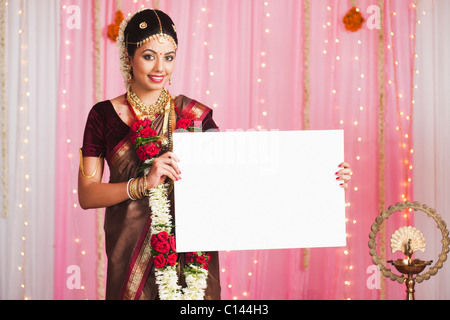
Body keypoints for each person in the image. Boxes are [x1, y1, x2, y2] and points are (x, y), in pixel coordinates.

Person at [78, 8, 352, 301]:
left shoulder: (194, 116)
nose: (160, 67)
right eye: (149, 56)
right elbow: (88, 196)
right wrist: (144, 184)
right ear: (128, 57)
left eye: (168, 57)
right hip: (129, 253)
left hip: (194, 252)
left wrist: (321, 176)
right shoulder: (103, 116)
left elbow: (240, 177)